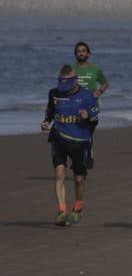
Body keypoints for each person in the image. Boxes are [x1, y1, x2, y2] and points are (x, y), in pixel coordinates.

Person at [43, 66, 98, 226]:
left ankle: (78, 208)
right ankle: (61, 211)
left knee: (79, 179)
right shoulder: (54, 93)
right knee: (59, 174)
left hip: (80, 141)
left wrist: (87, 117)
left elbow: (95, 120)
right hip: (58, 137)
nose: (64, 90)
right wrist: (46, 122)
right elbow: (50, 111)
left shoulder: (87, 96)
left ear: (76, 81)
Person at [72, 42, 108, 168]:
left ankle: (88, 152)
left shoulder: (95, 69)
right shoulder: (71, 69)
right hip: (75, 107)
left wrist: (99, 91)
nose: (81, 53)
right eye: (78, 51)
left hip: (92, 107)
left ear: (88, 54)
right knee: (76, 133)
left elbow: (104, 83)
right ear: (75, 54)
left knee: (88, 132)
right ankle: (82, 156)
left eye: (83, 51)